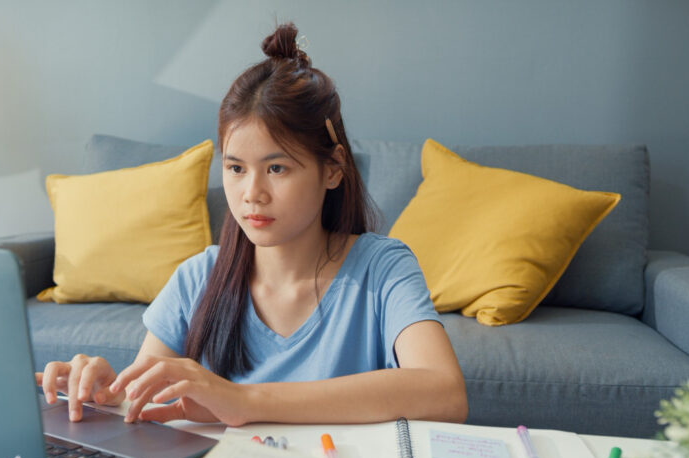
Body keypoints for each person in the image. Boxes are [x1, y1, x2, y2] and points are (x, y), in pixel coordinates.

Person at [36, 22, 468, 427]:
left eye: (277, 168)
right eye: (236, 168)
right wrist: (108, 395)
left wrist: (245, 401)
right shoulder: (197, 279)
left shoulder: (382, 268)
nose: (252, 193)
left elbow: (445, 393)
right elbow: (147, 404)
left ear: (333, 170)